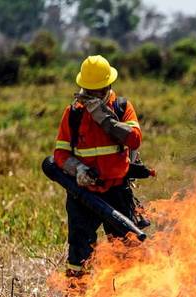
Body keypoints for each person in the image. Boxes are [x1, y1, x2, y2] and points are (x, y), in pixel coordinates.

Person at [53, 55, 143, 277]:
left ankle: (128, 292)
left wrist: (105, 119)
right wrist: (78, 169)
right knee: (79, 251)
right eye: (89, 92)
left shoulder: (122, 107)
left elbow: (134, 140)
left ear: (108, 86)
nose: (93, 96)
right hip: (83, 194)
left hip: (117, 190)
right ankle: (75, 294)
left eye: (98, 91)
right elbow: (60, 154)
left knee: (126, 249)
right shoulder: (73, 113)